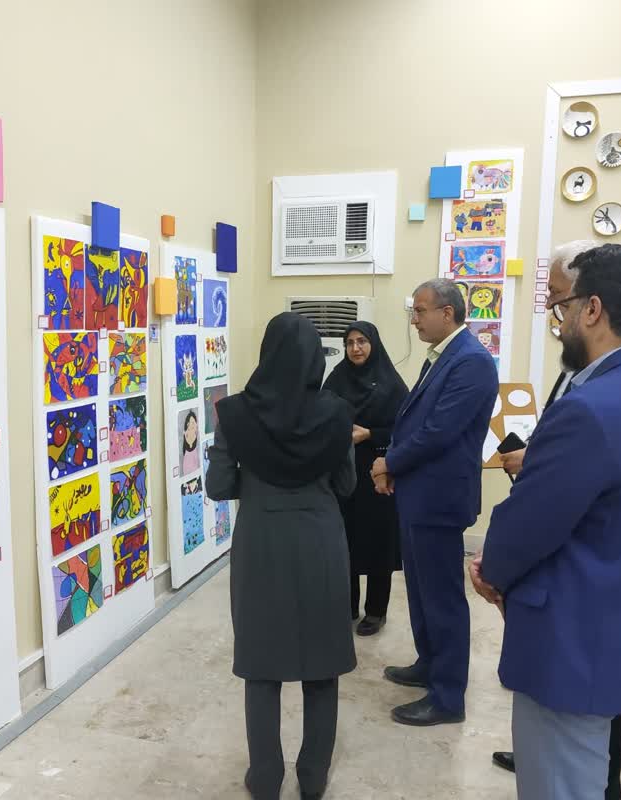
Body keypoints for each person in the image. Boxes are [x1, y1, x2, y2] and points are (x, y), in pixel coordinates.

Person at [471, 243, 621, 800]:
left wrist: (491, 570)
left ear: (593, 309)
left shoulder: (589, 408)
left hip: (571, 642)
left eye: (562, 309)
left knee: (559, 785)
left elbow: (529, 523)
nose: (558, 326)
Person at [207, 312, 357, 800]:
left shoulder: (232, 413)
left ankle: (266, 777)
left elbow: (218, 485)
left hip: (261, 543)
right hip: (321, 542)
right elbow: (346, 485)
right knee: (322, 665)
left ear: (266, 353)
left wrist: (256, 476)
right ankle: (312, 776)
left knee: (261, 664)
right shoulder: (337, 412)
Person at [371, 279, 498, 726]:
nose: (414, 320)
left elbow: (438, 432)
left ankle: (447, 697)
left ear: (448, 313)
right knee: (422, 592)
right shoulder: (443, 355)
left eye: (420, 311)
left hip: (439, 497)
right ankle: (429, 664)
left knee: (442, 598)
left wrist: (389, 462)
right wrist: (394, 464)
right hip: (419, 493)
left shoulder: (471, 361)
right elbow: (412, 420)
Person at [323, 322, 409, 636]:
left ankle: (376, 610)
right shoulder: (335, 379)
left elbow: (406, 430)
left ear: (373, 344)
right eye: (349, 343)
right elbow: (321, 416)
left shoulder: (392, 384)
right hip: (342, 472)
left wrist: (370, 433)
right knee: (343, 539)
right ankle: (346, 605)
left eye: (361, 341)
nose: (355, 348)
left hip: (378, 472)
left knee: (378, 540)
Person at [180, 410, 200, 475]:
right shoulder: (187, 434)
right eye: (191, 423)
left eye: (194, 422)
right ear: (187, 424)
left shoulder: (195, 434)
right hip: (188, 463)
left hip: (194, 461)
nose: (193, 424)